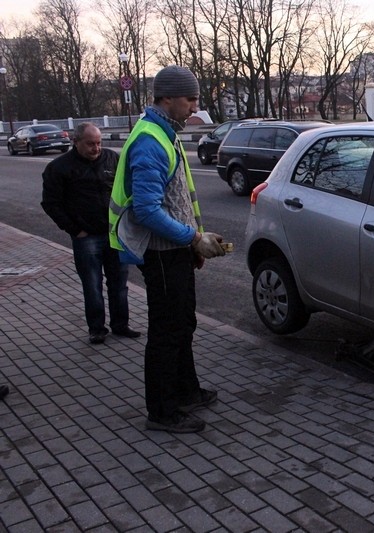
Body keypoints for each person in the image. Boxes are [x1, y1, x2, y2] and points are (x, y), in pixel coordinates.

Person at [109, 65, 227, 434]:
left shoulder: (164, 132)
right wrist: (192, 239)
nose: (195, 107)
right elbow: (146, 210)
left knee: (183, 323)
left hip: (174, 251)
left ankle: (186, 391)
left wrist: (193, 244)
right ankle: (162, 411)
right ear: (167, 98)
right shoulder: (150, 140)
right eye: (190, 99)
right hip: (160, 255)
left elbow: (178, 201)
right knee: (167, 331)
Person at [41, 122, 141, 345]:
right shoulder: (59, 168)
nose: (96, 148)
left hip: (115, 233)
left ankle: (121, 325)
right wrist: (76, 230)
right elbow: (51, 203)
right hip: (87, 238)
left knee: (119, 283)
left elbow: (127, 189)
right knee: (92, 284)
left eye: (98, 143)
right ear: (75, 142)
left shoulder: (112, 159)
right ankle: (97, 329)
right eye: (90, 144)